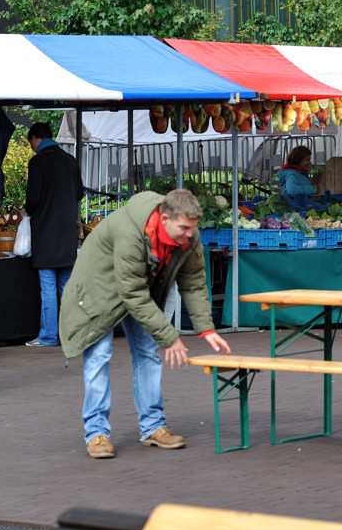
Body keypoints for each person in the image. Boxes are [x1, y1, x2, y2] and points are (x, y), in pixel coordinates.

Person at [59, 188, 231, 459]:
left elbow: (194, 281)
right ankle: (96, 433)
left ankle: (153, 427)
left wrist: (206, 328)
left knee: (148, 353)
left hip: (138, 290)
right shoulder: (130, 233)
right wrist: (170, 336)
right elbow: (132, 294)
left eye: (192, 227)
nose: (190, 233)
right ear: (164, 218)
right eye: (184, 227)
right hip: (97, 292)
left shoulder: (189, 236)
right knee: (99, 355)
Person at [24, 122, 82, 348]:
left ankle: (48, 336)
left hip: (46, 233)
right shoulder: (70, 161)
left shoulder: (38, 162)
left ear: (36, 138)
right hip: (66, 233)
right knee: (66, 286)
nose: (31, 148)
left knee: (47, 286)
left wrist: (31, 210)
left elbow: (33, 200)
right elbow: (79, 193)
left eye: (31, 143)